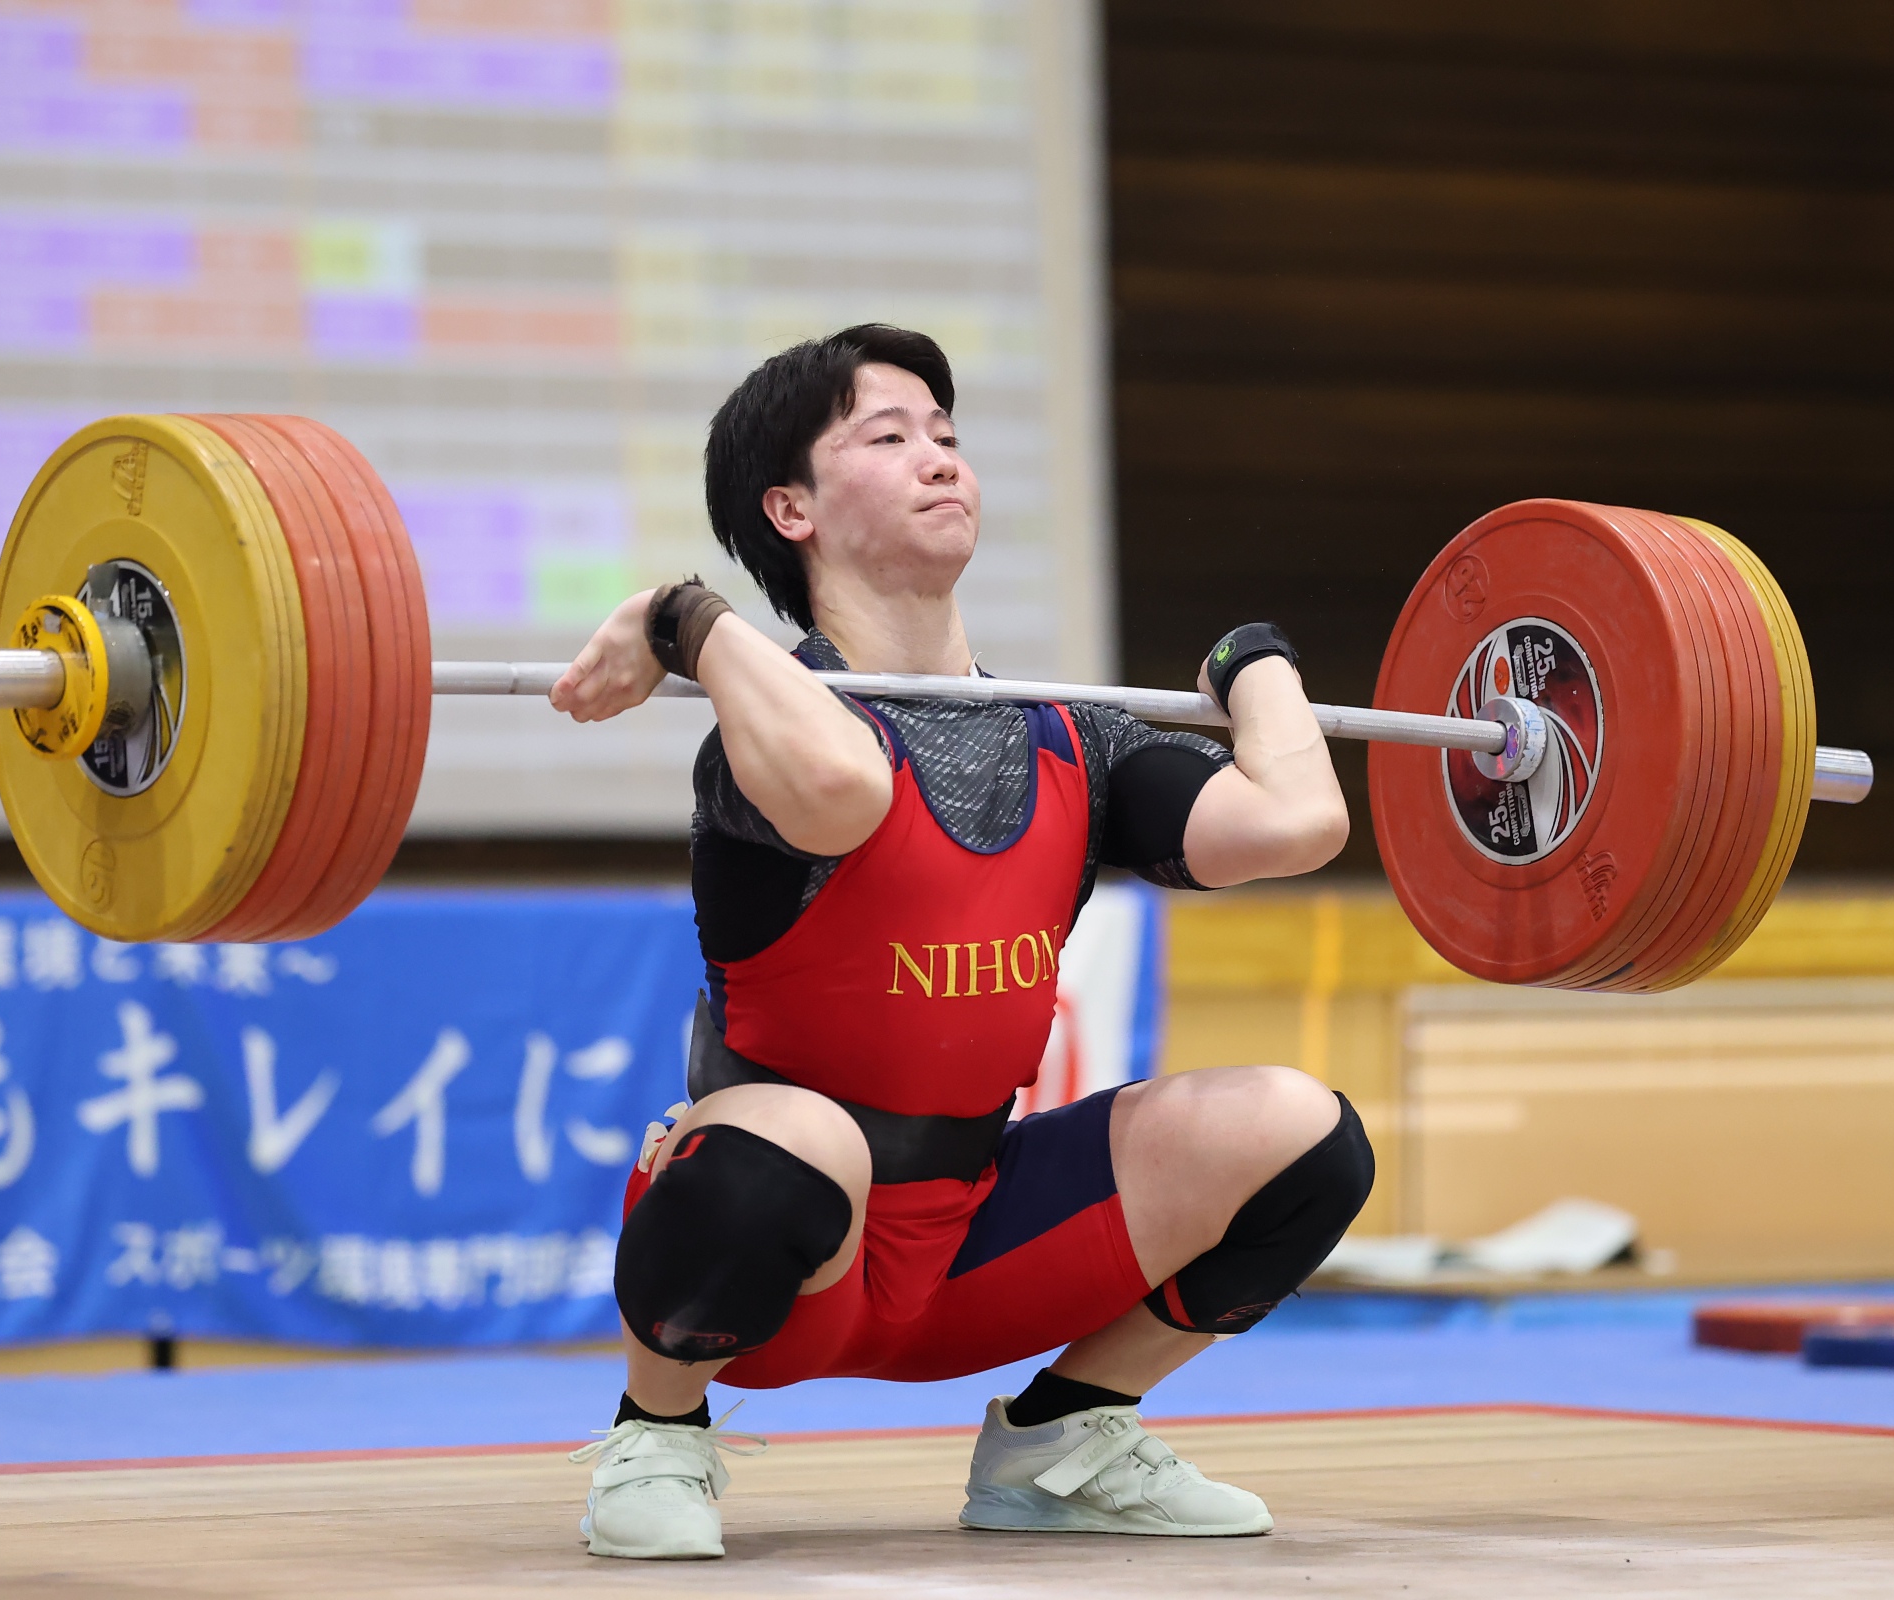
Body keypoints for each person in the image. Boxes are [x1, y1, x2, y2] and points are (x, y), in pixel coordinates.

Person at [549, 324, 1374, 1560]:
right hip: (782, 1259)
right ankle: (656, 1432)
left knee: (1305, 1134)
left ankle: (1063, 1435)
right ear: (791, 509)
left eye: (946, 435)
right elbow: (842, 787)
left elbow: (1298, 823)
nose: (940, 458)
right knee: (791, 1144)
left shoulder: (1075, 740)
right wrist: (685, 616)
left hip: (980, 1244)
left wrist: (1254, 662)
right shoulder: (764, 740)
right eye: (888, 437)